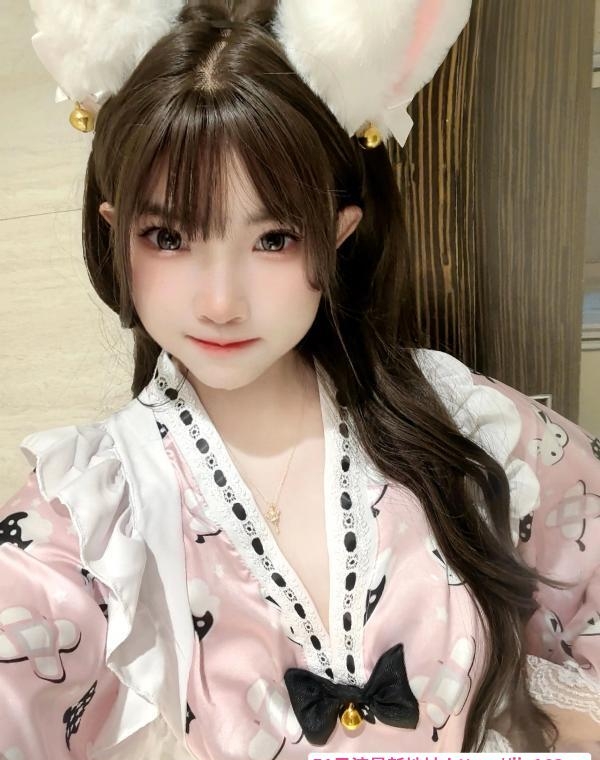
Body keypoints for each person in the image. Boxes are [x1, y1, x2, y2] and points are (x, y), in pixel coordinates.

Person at [1, 1, 599, 758]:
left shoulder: (460, 420)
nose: (221, 302)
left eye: (273, 238)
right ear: (117, 231)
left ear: (338, 234)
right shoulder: (93, 510)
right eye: (169, 237)